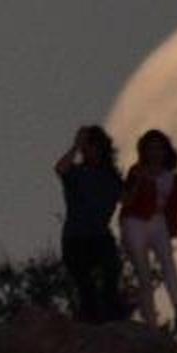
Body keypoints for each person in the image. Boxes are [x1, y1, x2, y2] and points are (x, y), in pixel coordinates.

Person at [119, 130, 177, 335]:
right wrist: (138, 180)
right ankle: (151, 324)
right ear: (144, 151)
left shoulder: (171, 177)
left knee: (168, 262)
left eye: (159, 148)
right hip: (135, 220)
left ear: (165, 152)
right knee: (143, 271)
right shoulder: (136, 171)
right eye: (151, 148)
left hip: (158, 220)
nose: (155, 153)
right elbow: (127, 198)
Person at [55, 126, 125, 323]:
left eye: (95, 146)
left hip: (100, 236)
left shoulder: (111, 178)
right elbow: (60, 168)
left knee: (111, 273)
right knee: (85, 286)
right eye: (88, 147)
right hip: (75, 238)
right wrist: (76, 145)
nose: (90, 151)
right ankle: (91, 319)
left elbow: (129, 199)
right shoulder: (76, 173)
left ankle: (111, 317)